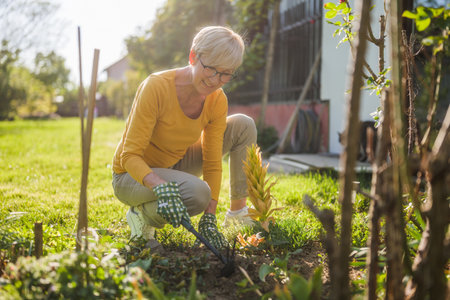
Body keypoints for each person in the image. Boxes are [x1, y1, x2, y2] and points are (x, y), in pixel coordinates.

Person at [112, 26, 257, 251]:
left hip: (175, 163)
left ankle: (237, 214)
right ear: (193, 57)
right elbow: (129, 155)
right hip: (131, 175)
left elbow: (211, 161)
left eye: (226, 73)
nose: (215, 80)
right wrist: (159, 185)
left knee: (242, 124)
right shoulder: (157, 87)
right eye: (211, 69)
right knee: (198, 193)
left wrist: (210, 215)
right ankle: (141, 215)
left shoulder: (217, 100)